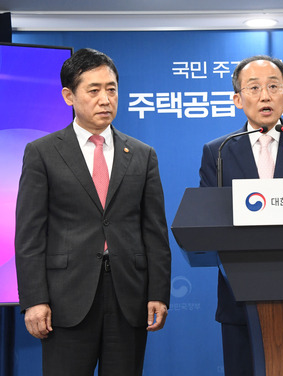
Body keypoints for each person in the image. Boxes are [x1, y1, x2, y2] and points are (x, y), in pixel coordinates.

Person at [15, 48, 172, 376]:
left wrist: (158, 293)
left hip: (128, 299)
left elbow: (154, 231)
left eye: (112, 89)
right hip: (64, 301)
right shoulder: (42, 153)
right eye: (94, 90)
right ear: (69, 96)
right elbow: (29, 235)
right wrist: (34, 299)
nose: (105, 99)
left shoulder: (142, 155)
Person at [199, 55, 283, 376]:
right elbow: (208, 220)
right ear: (237, 99)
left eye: (274, 87)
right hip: (239, 296)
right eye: (255, 87)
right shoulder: (218, 151)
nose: (265, 95)